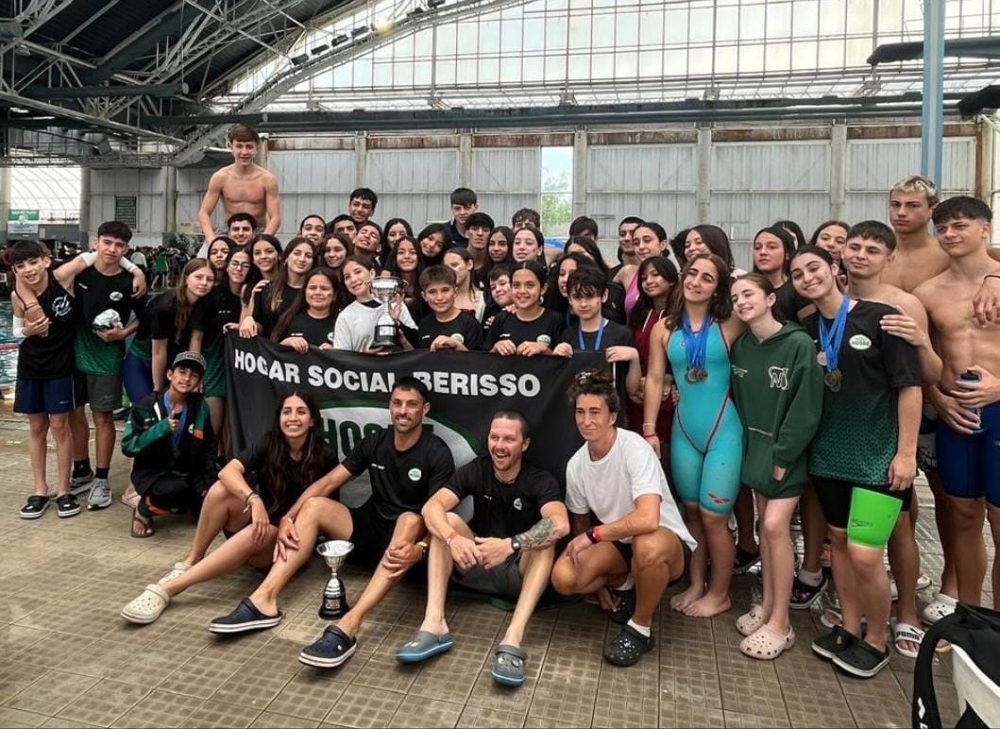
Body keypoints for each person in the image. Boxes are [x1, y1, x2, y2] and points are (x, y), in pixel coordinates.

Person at [210, 379, 454, 667]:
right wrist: (289, 517)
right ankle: (265, 599)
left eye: (411, 405)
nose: (403, 411)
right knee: (314, 505)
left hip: (406, 548)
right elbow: (327, 483)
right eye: (397, 403)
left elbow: (438, 516)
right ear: (389, 406)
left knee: (410, 518)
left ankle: (350, 624)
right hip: (371, 532)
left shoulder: (437, 452)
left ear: (424, 409)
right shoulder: (375, 441)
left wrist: (421, 548)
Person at [790, 246, 921, 679]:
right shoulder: (807, 329)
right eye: (797, 274)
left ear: (835, 268)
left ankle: (876, 639)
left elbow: (909, 387)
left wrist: (906, 453)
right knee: (841, 545)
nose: (807, 278)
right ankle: (848, 627)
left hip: (877, 457)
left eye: (814, 268)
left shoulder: (881, 318)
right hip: (829, 456)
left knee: (865, 555)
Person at [120, 392, 337, 625]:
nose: (293, 418)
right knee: (221, 489)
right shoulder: (270, 442)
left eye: (301, 412)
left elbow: (323, 512)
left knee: (256, 532)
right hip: (261, 521)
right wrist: (254, 500)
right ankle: (191, 561)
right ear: (279, 418)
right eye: (287, 412)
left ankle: (168, 589)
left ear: (312, 420)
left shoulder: (324, 455)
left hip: (287, 544)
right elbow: (227, 471)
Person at [397, 411, 568, 685]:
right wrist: (453, 538)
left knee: (545, 540)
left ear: (524, 444)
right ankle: (434, 624)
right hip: (475, 561)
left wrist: (511, 545)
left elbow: (560, 524)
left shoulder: (539, 479)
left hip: (517, 574)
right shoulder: (477, 469)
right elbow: (431, 507)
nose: (499, 445)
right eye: (494, 437)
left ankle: (512, 640)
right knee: (446, 521)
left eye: (509, 439)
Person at [841, 220, 944, 656]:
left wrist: (906, 452)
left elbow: (928, 376)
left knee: (900, 527)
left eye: (872, 249)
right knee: (845, 536)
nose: (860, 255)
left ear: (890, 257)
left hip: (885, 440)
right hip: (843, 437)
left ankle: (905, 613)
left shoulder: (903, 304)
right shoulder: (832, 300)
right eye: (855, 247)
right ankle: (857, 612)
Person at [551, 370, 696, 666]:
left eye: (595, 412)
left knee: (647, 545)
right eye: (580, 412)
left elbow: (648, 519)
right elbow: (580, 527)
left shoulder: (634, 448)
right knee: (564, 577)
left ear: (612, 416)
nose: (586, 420)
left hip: (664, 542)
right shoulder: (576, 465)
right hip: (619, 544)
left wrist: (594, 535)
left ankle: (640, 628)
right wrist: (599, 587)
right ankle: (624, 585)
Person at [643, 253, 744, 618]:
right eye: (692, 273)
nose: (696, 282)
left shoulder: (730, 323)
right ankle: (696, 583)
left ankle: (720, 592)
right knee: (692, 514)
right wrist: (650, 429)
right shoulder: (664, 328)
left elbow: (768, 315)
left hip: (723, 431)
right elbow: (656, 378)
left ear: (718, 288)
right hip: (684, 430)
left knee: (715, 517)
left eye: (707, 278)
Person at [728, 274, 823, 660]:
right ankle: (768, 605)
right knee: (764, 531)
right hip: (755, 453)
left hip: (787, 455)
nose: (741, 301)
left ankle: (782, 624)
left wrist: (784, 456)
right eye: (735, 297)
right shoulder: (743, 347)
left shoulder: (797, 344)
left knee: (772, 527)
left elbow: (806, 408)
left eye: (748, 294)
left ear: (770, 298)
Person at [913, 196, 1000, 610]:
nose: (949, 234)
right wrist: (938, 400)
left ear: (985, 228)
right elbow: (922, 358)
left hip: (999, 410)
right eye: (943, 228)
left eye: (960, 225)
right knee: (964, 516)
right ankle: (970, 617)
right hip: (956, 414)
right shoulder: (929, 292)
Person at [68, 221, 149, 510]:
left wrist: (123, 333)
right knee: (75, 413)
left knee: (102, 417)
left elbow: (145, 316)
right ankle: (81, 469)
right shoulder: (80, 272)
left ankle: (102, 479)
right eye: (107, 242)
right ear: (96, 242)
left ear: (126, 248)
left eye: (119, 245)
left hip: (107, 356)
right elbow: (51, 277)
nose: (112, 249)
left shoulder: (131, 282)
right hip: (74, 352)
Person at [10, 241, 86, 519]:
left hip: (61, 366)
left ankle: (64, 489)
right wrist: (28, 331)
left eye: (33, 262)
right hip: (31, 367)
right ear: (15, 270)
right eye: (21, 266)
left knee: (59, 426)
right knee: (37, 427)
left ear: (45, 260)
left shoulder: (62, 279)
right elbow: (16, 330)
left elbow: (91, 257)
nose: (28, 270)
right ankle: (40, 490)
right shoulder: (18, 295)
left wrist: (134, 270)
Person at [121, 352, 217, 538]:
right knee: (173, 490)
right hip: (152, 475)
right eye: (182, 372)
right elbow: (128, 446)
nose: (187, 378)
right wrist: (160, 429)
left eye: (194, 375)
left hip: (187, 473)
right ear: (169, 374)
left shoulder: (200, 406)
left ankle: (186, 504)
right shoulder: (146, 406)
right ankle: (143, 510)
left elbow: (209, 449)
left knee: (212, 499)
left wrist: (211, 484)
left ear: (199, 382)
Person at [553, 266, 641, 417]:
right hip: (576, 418)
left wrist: (634, 357)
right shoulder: (567, 335)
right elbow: (559, 384)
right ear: (570, 299)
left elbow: (632, 390)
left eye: (590, 296)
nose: (583, 304)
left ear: (604, 296)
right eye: (577, 297)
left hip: (613, 417)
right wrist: (556, 356)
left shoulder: (621, 334)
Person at [189, 247, 250, 455]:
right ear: (227, 266)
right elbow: (196, 338)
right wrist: (196, 371)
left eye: (245, 265)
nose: (239, 269)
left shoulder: (254, 295)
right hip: (214, 368)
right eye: (235, 264)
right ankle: (207, 468)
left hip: (242, 370)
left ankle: (229, 467)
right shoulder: (211, 297)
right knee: (211, 428)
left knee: (235, 431)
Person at [626, 256, 678, 464]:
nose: (648, 281)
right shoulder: (640, 313)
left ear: (672, 279)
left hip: (667, 396)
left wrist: (669, 379)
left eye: (656, 275)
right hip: (638, 393)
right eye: (644, 278)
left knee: (664, 455)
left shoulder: (681, 315)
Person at [198, 124, 280, 242]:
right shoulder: (220, 177)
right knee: (205, 254)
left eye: (249, 147)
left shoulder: (267, 179)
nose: (244, 152)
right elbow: (204, 213)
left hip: (258, 231)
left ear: (256, 149)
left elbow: (275, 218)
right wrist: (211, 240)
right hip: (228, 231)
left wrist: (264, 241)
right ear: (231, 148)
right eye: (239, 146)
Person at [149, 259, 215, 392]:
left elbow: (195, 340)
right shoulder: (166, 307)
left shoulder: (205, 302)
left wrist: (194, 374)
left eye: (209, 279)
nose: (204, 283)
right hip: (148, 356)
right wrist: (158, 390)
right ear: (186, 279)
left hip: (176, 356)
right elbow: (158, 352)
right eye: (198, 277)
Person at [332, 255, 417, 352]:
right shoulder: (345, 316)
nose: (353, 280)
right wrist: (364, 356)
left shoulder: (395, 304)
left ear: (372, 273)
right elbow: (341, 357)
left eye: (358, 272)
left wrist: (396, 322)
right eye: (347, 277)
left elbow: (416, 349)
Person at [487, 260, 563, 357]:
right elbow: (482, 360)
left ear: (543, 289)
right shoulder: (501, 319)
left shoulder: (555, 320)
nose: (522, 291)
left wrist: (545, 350)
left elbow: (563, 362)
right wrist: (496, 348)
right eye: (516, 285)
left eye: (530, 285)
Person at [243, 237, 314, 339]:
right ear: (286, 257)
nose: (302, 259)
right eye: (297, 253)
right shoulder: (266, 289)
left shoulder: (315, 293)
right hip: (272, 347)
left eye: (308, 256)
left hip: (305, 347)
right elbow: (260, 326)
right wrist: (249, 321)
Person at [270, 267, 344, 352]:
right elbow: (272, 351)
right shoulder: (289, 319)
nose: (318, 292)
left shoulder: (342, 322)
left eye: (324, 288)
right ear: (304, 291)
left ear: (335, 294)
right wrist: (286, 343)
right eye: (312, 288)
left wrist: (336, 352)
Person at [417, 265, 483, 351]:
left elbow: (478, 358)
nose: (439, 297)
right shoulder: (424, 324)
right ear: (424, 296)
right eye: (432, 292)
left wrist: (457, 346)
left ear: (455, 292)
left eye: (445, 290)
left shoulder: (469, 323)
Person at [443, 247, 485, 321]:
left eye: (454, 265)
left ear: (469, 264)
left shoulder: (485, 299)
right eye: (446, 267)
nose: (450, 270)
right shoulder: (441, 298)